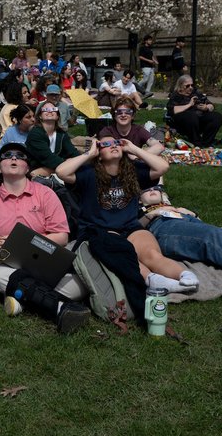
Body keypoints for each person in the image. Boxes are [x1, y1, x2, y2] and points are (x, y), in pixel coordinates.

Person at [55, 136, 199, 325]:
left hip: (130, 226)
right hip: (100, 230)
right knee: (128, 256)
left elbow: (162, 167)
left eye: (116, 143)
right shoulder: (88, 173)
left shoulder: (131, 171)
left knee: (152, 254)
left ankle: (184, 276)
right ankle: (153, 280)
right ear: (99, 153)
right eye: (105, 144)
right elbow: (61, 171)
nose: (112, 146)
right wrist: (89, 154)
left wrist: (134, 149)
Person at [0, 143, 90, 334]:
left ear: (27, 167)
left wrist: (30, 240)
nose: (14, 158)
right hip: (5, 264)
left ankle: (23, 301)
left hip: (46, 261)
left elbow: (62, 236)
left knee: (79, 286)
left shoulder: (46, 194)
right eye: (7, 155)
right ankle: (59, 307)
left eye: (20, 156)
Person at [138, 185, 222, 289]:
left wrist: (192, 214)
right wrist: (151, 214)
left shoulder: (172, 205)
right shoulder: (139, 211)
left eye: (156, 188)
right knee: (211, 236)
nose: (152, 190)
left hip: (183, 220)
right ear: (139, 199)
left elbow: (204, 227)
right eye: (146, 190)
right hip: (162, 226)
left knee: (214, 236)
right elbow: (133, 228)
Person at [23, 100, 81, 176]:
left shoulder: (61, 134)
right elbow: (48, 159)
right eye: (46, 110)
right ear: (40, 116)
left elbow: (73, 153)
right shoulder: (35, 134)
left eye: (53, 110)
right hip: (35, 171)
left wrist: (78, 160)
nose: (50, 112)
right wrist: (70, 163)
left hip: (58, 170)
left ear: (57, 116)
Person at [167, 75, 222, 147]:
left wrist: (206, 108)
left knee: (217, 116)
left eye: (192, 85)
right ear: (180, 86)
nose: (190, 87)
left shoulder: (196, 93)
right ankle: (196, 142)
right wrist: (189, 104)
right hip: (183, 123)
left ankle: (206, 143)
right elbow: (172, 110)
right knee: (191, 116)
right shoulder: (176, 95)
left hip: (199, 119)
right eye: (187, 86)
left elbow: (211, 105)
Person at [98, 97, 163, 155]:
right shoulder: (107, 131)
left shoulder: (138, 130)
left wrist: (138, 157)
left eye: (128, 112)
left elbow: (159, 147)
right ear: (114, 115)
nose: (123, 115)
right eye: (119, 112)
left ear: (133, 116)